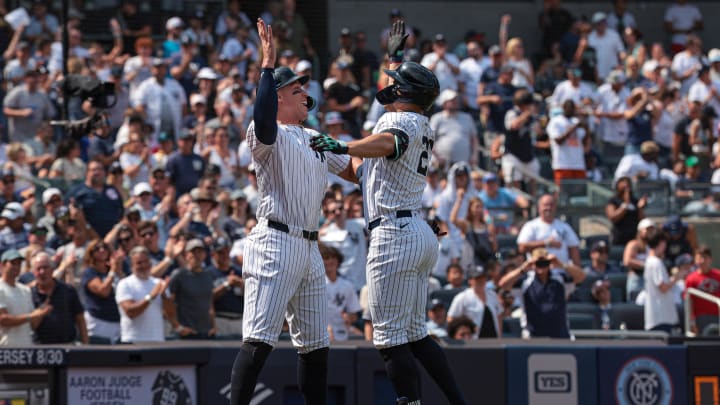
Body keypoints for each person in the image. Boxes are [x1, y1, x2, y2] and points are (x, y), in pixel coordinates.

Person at [310, 20, 467, 405]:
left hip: (395, 234)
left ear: (406, 93)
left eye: (398, 82)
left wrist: (344, 145)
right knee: (415, 334)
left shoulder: (401, 123)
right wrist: (394, 58)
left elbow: (387, 143)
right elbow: (363, 174)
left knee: (389, 337)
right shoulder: (420, 121)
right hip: (414, 229)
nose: (391, 85)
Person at [229, 19, 356, 405]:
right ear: (278, 96)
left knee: (316, 345)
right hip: (276, 239)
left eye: (304, 88)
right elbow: (264, 120)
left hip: (309, 246)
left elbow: (354, 171)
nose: (304, 93)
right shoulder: (267, 131)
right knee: (260, 340)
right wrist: (267, 65)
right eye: (295, 88)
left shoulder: (314, 136)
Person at [498, 247, 578, 338]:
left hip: (559, 333)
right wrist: (523, 268)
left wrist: (561, 265)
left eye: (544, 263)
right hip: (533, 335)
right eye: (538, 263)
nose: (541, 266)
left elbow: (581, 277)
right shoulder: (526, 281)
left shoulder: (560, 279)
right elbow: (503, 284)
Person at [516, 194, 582, 280]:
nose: (548, 208)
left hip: (561, 273)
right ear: (539, 207)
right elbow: (522, 247)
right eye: (545, 205)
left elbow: (574, 251)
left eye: (551, 205)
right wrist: (546, 243)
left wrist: (576, 274)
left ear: (555, 207)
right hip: (536, 274)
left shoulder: (564, 227)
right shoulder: (531, 226)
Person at [29, 252, 88, 344]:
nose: (42, 272)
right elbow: (29, 325)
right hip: (40, 349)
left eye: (45, 267)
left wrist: (86, 345)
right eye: (38, 269)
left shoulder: (68, 290)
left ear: (52, 269)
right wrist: (39, 314)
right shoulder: (29, 294)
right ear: (33, 272)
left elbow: (80, 319)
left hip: (67, 347)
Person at [115, 246, 167, 343]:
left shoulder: (159, 283)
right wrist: (151, 297)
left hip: (157, 341)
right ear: (132, 265)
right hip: (133, 341)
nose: (143, 265)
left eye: (146, 261)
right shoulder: (125, 284)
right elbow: (131, 312)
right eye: (139, 263)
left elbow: (170, 315)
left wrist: (165, 297)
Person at [0, 249, 49, 345]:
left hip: (26, 348)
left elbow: (33, 325)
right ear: (2, 265)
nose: (16, 267)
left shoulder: (25, 290)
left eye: (19, 264)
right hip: (5, 350)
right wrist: (31, 316)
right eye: (13, 263)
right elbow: (3, 320)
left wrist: (41, 313)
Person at [67, 160, 124, 237]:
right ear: (87, 173)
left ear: (104, 172)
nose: (97, 172)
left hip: (114, 238)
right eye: (93, 170)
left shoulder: (112, 190)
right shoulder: (77, 192)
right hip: (89, 238)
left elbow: (121, 212)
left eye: (100, 169)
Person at [81, 240, 124, 344]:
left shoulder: (113, 269)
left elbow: (126, 287)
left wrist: (118, 270)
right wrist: (113, 271)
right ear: (91, 253)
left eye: (104, 247)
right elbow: (103, 291)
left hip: (118, 321)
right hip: (98, 322)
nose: (102, 250)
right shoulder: (89, 272)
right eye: (97, 248)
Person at [320, 244, 361, 342]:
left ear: (338, 261)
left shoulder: (347, 285)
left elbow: (354, 314)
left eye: (333, 258)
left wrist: (349, 318)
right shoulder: (315, 285)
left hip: (341, 336)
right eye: (326, 258)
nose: (330, 261)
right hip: (320, 335)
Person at [643, 228, 680, 334]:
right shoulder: (655, 263)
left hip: (658, 318)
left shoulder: (651, 261)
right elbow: (663, 287)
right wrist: (677, 278)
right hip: (661, 318)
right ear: (661, 243)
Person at [447, 266, 501, 338]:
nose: (481, 281)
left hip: (494, 339)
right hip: (473, 341)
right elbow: (451, 319)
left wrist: (500, 335)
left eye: (483, 278)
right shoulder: (462, 297)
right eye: (477, 279)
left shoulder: (492, 295)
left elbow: (499, 316)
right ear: (470, 280)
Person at [2, 69, 55, 143]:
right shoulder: (18, 92)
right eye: (32, 77)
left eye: (36, 78)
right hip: (18, 137)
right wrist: (21, 113)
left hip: (36, 138)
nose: (34, 80)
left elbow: (50, 114)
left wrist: (45, 128)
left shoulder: (42, 95)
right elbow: (6, 110)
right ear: (26, 79)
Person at [429, 89, 478, 168]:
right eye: (451, 100)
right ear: (444, 103)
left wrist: (474, 156)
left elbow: (474, 139)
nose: (455, 102)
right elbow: (430, 140)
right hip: (442, 164)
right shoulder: (437, 118)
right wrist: (436, 157)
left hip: (463, 163)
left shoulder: (467, 117)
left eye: (455, 99)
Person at [546, 100, 590, 185]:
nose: (570, 110)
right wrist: (573, 128)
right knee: (563, 192)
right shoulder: (556, 121)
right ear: (563, 108)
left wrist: (585, 126)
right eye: (568, 108)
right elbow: (558, 140)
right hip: (562, 163)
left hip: (578, 164)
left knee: (579, 193)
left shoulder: (576, 121)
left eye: (572, 108)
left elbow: (584, 140)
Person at [208, 237, 244, 338]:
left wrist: (243, 285)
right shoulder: (208, 273)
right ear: (213, 254)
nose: (224, 256)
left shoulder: (239, 272)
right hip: (220, 319)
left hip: (239, 319)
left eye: (226, 252)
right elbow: (206, 298)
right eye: (220, 253)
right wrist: (226, 285)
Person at [685, 245, 720, 335]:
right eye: (699, 258)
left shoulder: (718, 275)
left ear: (710, 259)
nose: (702, 261)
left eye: (705, 258)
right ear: (695, 260)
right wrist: (692, 322)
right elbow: (689, 302)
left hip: (718, 316)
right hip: (701, 318)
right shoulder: (691, 279)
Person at [606, 176, 647, 246]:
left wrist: (640, 208)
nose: (625, 184)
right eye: (622, 181)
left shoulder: (635, 201)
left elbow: (642, 221)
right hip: (619, 239)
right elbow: (613, 218)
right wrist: (626, 204)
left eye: (627, 182)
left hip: (634, 238)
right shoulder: (613, 201)